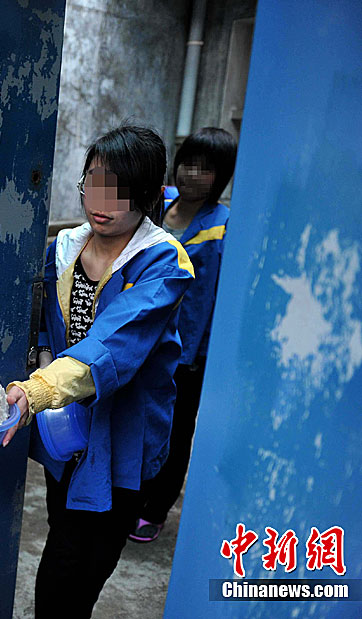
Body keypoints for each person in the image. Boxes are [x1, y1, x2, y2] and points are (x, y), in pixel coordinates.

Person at [3, 126, 194, 618]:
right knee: (64, 531)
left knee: (79, 565)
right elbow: (45, 324)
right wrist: (44, 360)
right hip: (67, 431)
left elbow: (112, 345)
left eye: (121, 189)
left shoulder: (162, 262)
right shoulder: (63, 249)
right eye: (95, 183)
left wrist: (37, 391)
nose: (103, 202)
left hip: (123, 436)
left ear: (149, 195)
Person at [129, 127, 237, 543]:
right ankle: (129, 496)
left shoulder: (224, 225)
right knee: (136, 420)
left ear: (222, 176)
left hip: (188, 350)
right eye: (188, 163)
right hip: (140, 337)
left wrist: (194, 354)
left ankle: (155, 509)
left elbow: (213, 298)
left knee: (175, 430)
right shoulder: (159, 202)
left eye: (205, 169)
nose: (192, 174)